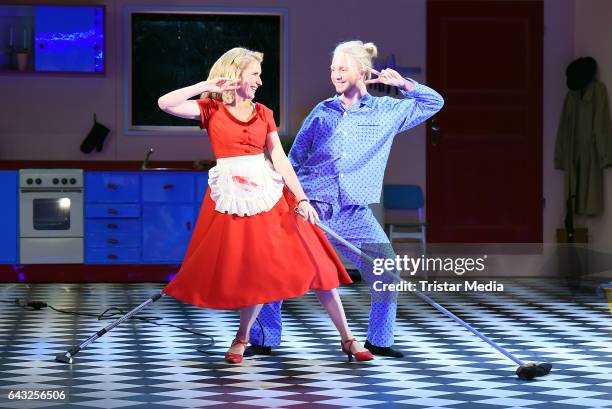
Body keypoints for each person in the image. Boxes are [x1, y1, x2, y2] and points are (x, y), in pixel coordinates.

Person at [157, 47, 373, 364]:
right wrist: (206, 86)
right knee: (255, 271)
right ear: (236, 75)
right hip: (235, 198)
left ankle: (347, 338)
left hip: (271, 195)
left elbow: (280, 159)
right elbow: (165, 103)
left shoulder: (263, 112)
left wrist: (300, 198)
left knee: (317, 262)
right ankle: (242, 338)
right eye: (255, 74)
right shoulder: (211, 108)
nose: (260, 80)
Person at [249, 40, 444, 358]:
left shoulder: (388, 112)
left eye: (342, 68)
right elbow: (295, 157)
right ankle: (264, 338)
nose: (336, 74)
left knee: (385, 266)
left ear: (363, 72)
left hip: (353, 211)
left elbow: (433, 103)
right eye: (333, 69)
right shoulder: (322, 111)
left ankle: (379, 341)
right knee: (275, 269)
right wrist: (285, 196)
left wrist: (405, 85)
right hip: (309, 205)